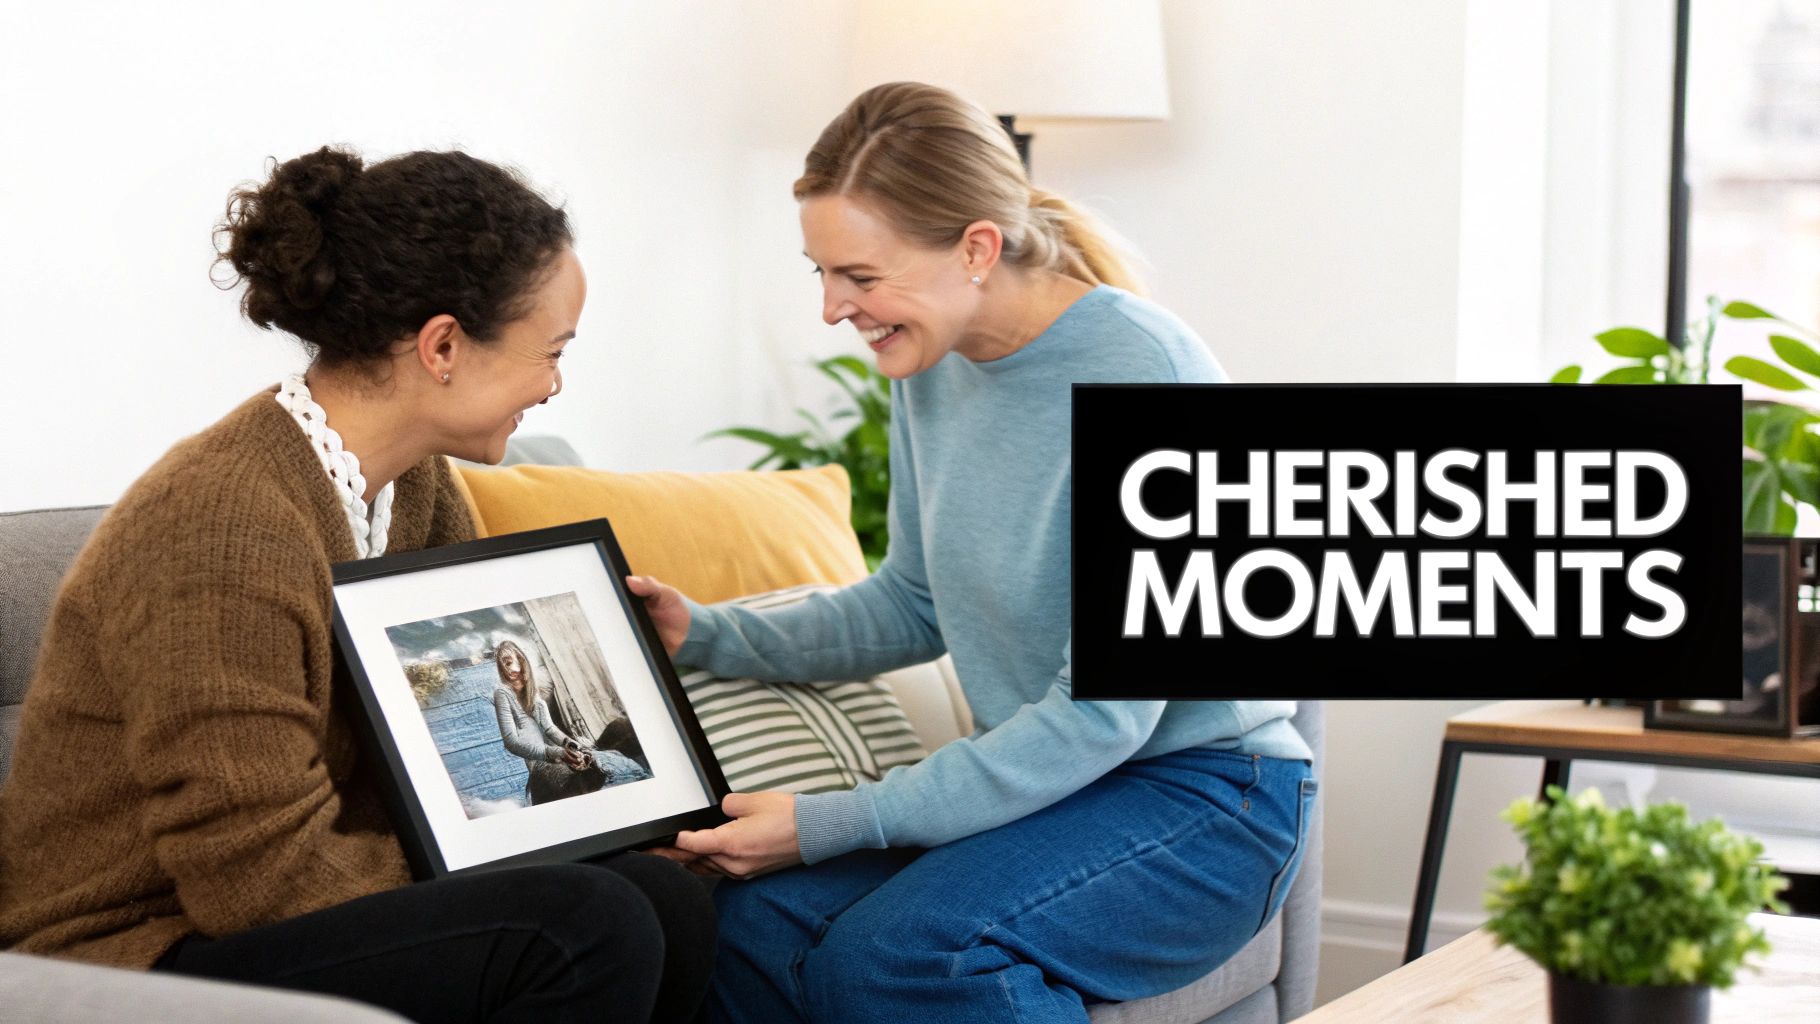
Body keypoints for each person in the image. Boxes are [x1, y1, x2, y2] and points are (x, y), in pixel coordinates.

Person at [627, 82, 1318, 1024]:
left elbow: (1105, 718)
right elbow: (913, 603)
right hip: (1062, 793)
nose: (833, 307)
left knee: (902, 956)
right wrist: (703, 634)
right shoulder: (934, 362)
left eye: (861, 277)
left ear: (977, 249)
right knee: (746, 926)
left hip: (1210, 800)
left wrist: (835, 820)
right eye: (821, 273)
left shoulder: (1147, 375)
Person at [0, 146, 713, 1023]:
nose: (555, 384)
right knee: (584, 923)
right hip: (138, 940)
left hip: (266, 904)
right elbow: (254, 876)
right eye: (550, 352)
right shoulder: (220, 522)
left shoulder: (415, 484)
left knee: (665, 894)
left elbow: (428, 768)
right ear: (443, 345)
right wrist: (523, 856)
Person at [492, 638, 652, 804]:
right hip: (542, 761)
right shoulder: (503, 694)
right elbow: (511, 742)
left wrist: (574, 746)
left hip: (559, 755)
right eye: (506, 663)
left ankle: (603, 772)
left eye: (517, 660)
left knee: (619, 729)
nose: (512, 667)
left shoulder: (537, 699)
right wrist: (555, 753)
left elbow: (550, 728)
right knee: (556, 773)